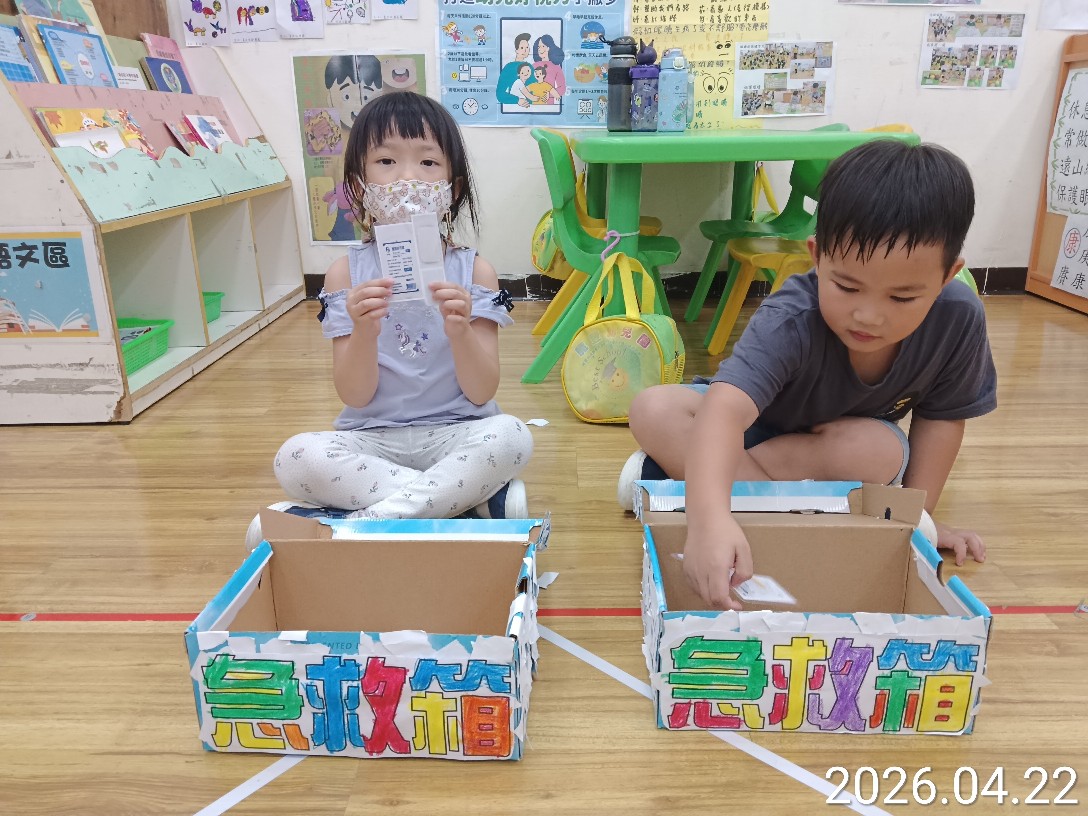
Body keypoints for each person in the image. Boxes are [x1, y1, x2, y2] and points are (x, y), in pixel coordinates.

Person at [619, 140, 996, 610]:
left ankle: (669, 477)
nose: (868, 316)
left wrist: (920, 520)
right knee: (653, 407)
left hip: (828, 452)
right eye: (846, 286)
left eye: (902, 298)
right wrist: (708, 521)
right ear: (817, 257)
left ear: (947, 276)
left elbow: (942, 419)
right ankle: (717, 491)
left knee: (882, 450)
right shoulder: (791, 316)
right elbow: (724, 411)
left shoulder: (958, 318)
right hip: (752, 431)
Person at [258, 92, 533, 545]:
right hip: (373, 439)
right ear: (359, 185)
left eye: (428, 163)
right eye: (386, 161)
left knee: (511, 436)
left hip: (457, 432)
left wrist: (460, 332)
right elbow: (354, 395)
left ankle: (356, 525)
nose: (408, 177)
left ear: (453, 189)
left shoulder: (474, 273)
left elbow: (482, 391)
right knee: (296, 457)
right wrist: (364, 332)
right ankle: (461, 507)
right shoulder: (346, 274)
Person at [497, 33, 532, 106]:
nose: (525, 50)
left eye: (527, 47)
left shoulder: (530, 67)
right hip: (513, 106)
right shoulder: (509, 67)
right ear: (516, 50)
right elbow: (500, 94)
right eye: (522, 48)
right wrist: (517, 100)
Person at [533, 34, 567, 100]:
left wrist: (550, 94)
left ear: (549, 48)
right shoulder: (534, 66)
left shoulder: (556, 67)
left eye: (543, 46)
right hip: (534, 103)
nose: (540, 49)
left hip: (549, 103)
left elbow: (562, 88)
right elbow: (528, 85)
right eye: (538, 47)